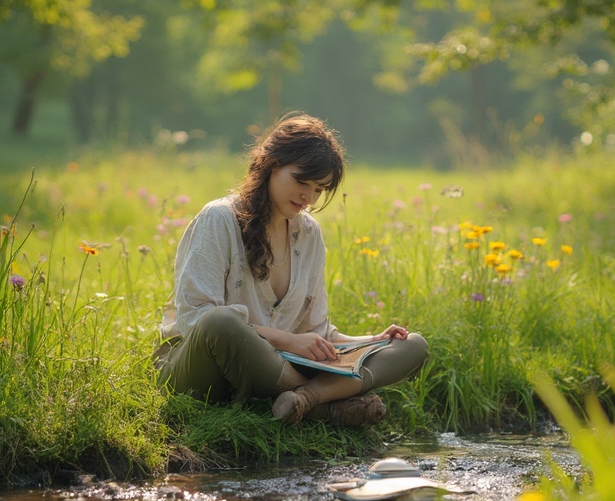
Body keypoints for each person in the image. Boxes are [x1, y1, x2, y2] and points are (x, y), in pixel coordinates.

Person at [155, 113, 428, 427]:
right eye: (301, 181)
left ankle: (302, 400)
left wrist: (371, 341)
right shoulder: (219, 219)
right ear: (271, 164)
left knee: (412, 345)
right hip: (203, 370)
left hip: (277, 366)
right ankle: (324, 403)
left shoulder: (309, 234)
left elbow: (318, 334)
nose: (308, 198)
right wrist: (285, 340)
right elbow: (196, 321)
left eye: (319, 189)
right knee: (221, 321)